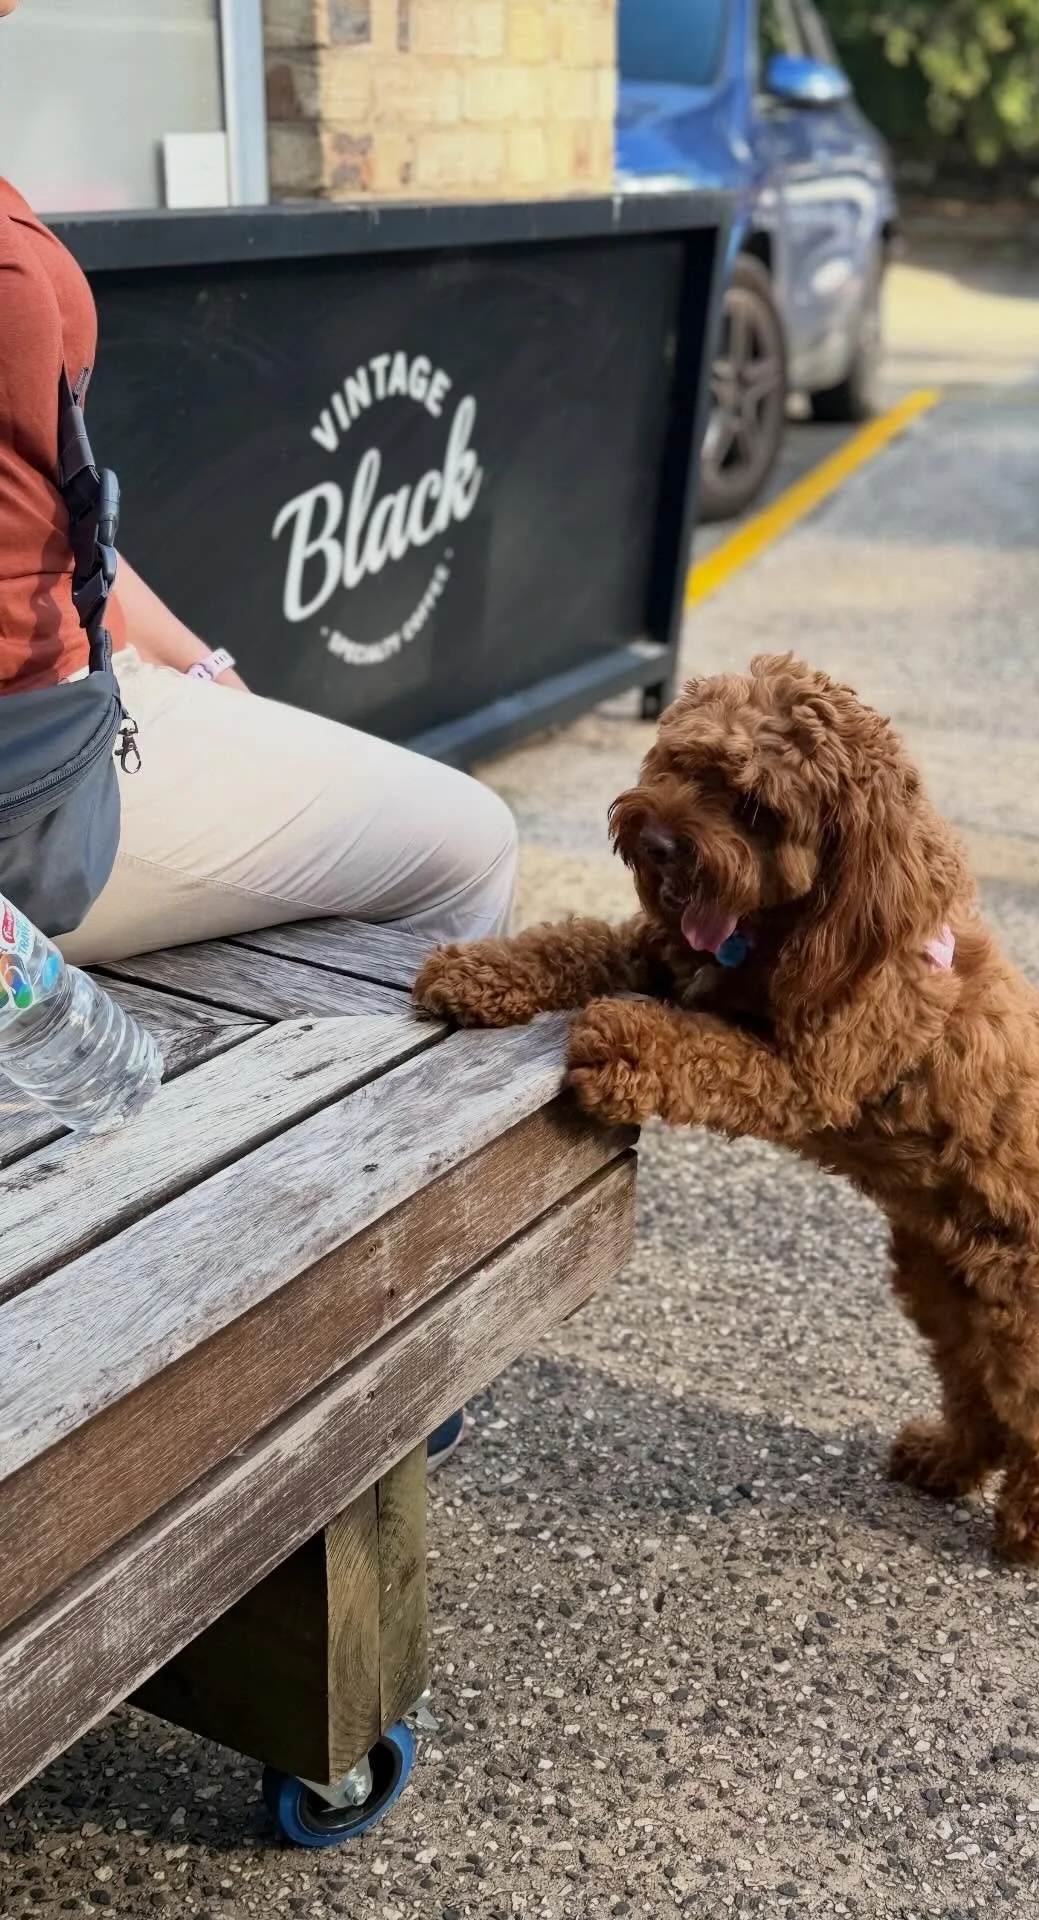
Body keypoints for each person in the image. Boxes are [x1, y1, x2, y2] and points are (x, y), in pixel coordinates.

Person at [1, 0, 505, 1465]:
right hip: (39, 799)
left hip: (83, 712)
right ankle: (374, 1353)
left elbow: (55, 500)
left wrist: (200, 662)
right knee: (464, 852)